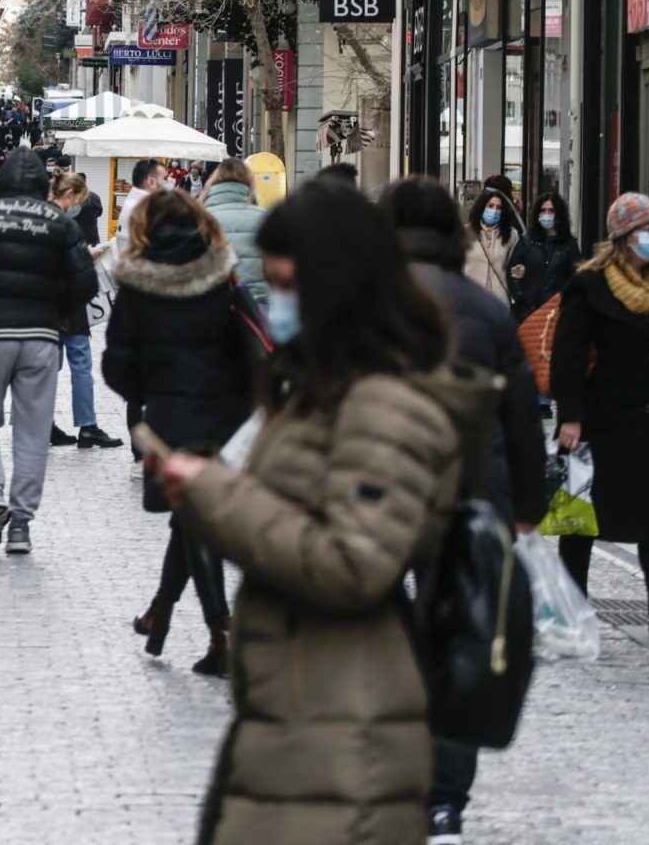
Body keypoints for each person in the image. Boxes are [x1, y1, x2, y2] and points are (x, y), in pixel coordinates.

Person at [152, 180, 490, 845]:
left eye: (287, 284)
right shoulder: (323, 386)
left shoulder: (385, 401)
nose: (277, 302)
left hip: (347, 724)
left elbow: (355, 560)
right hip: (304, 711)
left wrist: (218, 496)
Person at [380, 176, 548, 845]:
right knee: (458, 641)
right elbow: (520, 416)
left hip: (380, 493)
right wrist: (529, 506)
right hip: (472, 495)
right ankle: (444, 801)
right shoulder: (484, 309)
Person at [102, 190, 254, 676]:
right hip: (226, 416)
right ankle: (161, 614)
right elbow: (257, 343)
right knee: (192, 518)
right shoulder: (224, 276)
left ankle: (220, 632)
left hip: (169, 420)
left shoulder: (138, 284)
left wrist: (146, 392)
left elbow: (117, 365)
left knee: (193, 517)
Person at [552, 192, 649, 645]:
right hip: (601, 420)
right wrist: (570, 417)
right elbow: (568, 355)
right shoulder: (589, 285)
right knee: (582, 522)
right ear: (623, 237)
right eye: (648, 230)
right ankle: (571, 609)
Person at [0, 144, 98, 555]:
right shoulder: (61, 223)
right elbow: (86, 284)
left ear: (0, 180)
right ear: (44, 184)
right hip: (41, 337)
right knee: (31, 431)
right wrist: (54, 312)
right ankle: (21, 527)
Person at [46, 172, 123, 450]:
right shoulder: (61, 221)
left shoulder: (41, 216)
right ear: (70, 195)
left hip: (46, 306)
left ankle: (44, 425)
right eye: (79, 199)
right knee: (80, 365)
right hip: (68, 303)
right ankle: (87, 427)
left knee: (48, 368)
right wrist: (85, 255)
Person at [115, 159, 168, 478]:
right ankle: (142, 455)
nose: (168, 181)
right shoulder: (144, 210)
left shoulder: (137, 206)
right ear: (151, 182)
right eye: (164, 178)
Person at [200, 156, 268, 304]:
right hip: (258, 304)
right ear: (250, 182)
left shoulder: (199, 218)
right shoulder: (265, 218)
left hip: (212, 304)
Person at [507, 190, 578, 322]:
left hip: (555, 314)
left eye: (551, 211)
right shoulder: (526, 240)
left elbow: (574, 278)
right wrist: (521, 297)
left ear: (559, 215)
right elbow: (512, 272)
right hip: (527, 313)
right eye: (543, 210)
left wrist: (563, 304)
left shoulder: (569, 245)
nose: (546, 215)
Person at [463, 186, 520, 304]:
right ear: (481, 207)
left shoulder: (511, 234)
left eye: (498, 208)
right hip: (471, 302)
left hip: (499, 303)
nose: (494, 211)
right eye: (490, 206)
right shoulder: (465, 233)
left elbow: (513, 265)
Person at [73, 172, 104, 247]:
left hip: (76, 237)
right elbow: (100, 213)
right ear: (85, 182)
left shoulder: (71, 197)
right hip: (92, 237)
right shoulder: (94, 197)